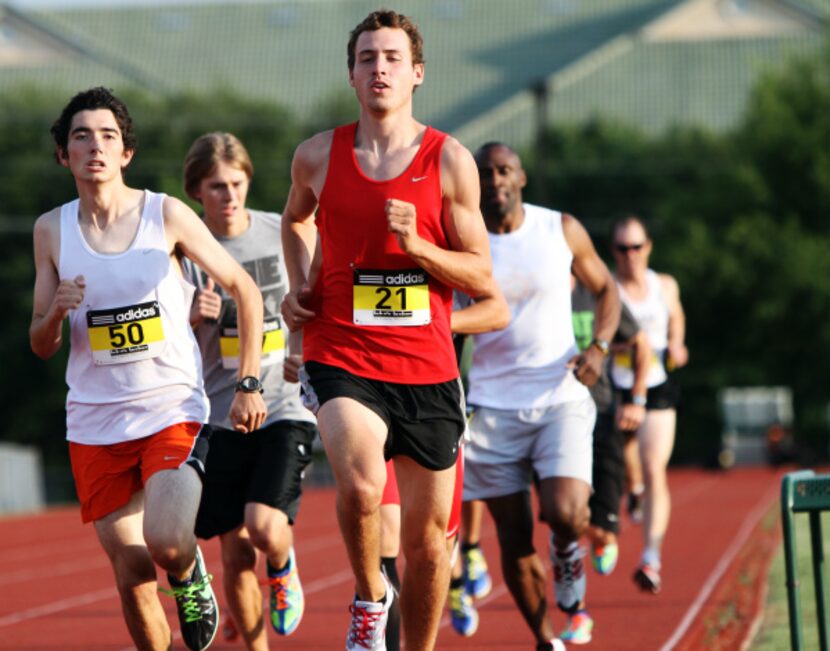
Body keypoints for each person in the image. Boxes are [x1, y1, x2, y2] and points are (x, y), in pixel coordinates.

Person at [279, 10, 496, 651]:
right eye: (368, 57)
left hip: (427, 366)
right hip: (341, 349)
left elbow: (482, 274)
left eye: (392, 58)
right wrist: (301, 285)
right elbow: (296, 221)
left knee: (431, 547)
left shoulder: (450, 161)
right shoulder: (317, 154)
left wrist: (418, 246)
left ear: (417, 73)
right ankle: (370, 596)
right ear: (352, 73)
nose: (380, 68)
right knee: (364, 483)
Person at [29, 87, 267, 651]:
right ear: (64, 155)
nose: (95, 147)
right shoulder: (50, 231)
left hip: (170, 409)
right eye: (81, 136)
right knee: (132, 578)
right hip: (94, 423)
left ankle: (188, 576)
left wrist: (248, 383)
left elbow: (245, 289)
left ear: (126, 153)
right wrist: (56, 312)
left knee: (164, 541)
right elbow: (40, 343)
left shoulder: (165, 214)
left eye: (108, 136)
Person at [462, 142, 620, 650]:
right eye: (485, 174)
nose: (495, 181)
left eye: (504, 171)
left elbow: (607, 290)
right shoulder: (460, 241)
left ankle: (569, 551)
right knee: (512, 538)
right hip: (490, 406)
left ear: (522, 177)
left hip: (561, 393)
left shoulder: (560, 228)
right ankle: (545, 638)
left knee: (568, 511)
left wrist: (598, 347)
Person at [182, 132, 318, 650]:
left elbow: (315, 296)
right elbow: (170, 346)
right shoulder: (185, 248)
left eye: (237, 183)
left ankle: (283, 564)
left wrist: (304, 347)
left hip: (283, 400)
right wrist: (193, 320)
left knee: (263, 528)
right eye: (216, 186)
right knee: (234, 550)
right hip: (218, 413)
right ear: (197, 190)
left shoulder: (278, 232)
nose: (229, 195)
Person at [382, 284, 510, 648]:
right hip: (374, 404)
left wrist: (432, 321)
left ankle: (457, 577)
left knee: (433, 542)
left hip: (437, 407)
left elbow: (497, 311)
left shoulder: (451, 256)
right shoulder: (364, 250)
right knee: (386, 536)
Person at [609, 215, 689, 595]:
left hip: (658, 384)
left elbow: (677, 316)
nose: (631, 255)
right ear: (614, 253)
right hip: (618, 384)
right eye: (623, 249)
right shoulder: (607, 288)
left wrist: (676, 342)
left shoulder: (665, 285)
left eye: (637, 247)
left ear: (648, 247)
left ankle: (651, 558)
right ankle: (634, 490)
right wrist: (623, 346)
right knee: (631, 469)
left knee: (655, 466)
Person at [571, 276, 650, 576]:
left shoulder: (598, 292)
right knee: (564, 516)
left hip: (601, 415)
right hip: (553, 419)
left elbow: (640, 344)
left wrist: (637, 399)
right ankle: (575, 607)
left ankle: (599, 536)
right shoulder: (535, 287)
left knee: (600, 528)